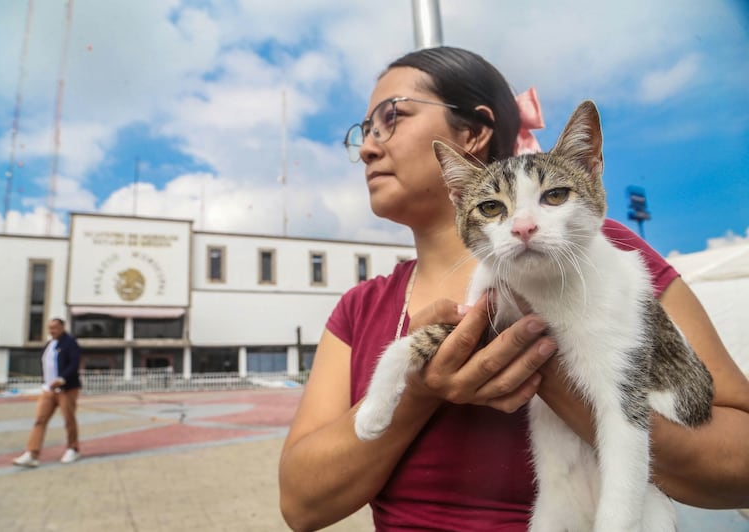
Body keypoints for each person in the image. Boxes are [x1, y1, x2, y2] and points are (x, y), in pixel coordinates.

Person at [278, 46, 749, 531]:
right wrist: (417, 391)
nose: (368, 147)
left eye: (391, 117)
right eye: (363, 131)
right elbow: (300, 506)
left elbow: (741, 461)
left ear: (475, 132)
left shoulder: (602, 254)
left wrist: (560, 373)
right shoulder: (361, 306)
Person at [13, 318, 82, 467]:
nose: (52, 331)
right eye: (50, 328)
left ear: (63, 327)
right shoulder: (49, 344)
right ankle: (32, 453)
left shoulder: (70, 343)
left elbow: (74, 363)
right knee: (40, 420)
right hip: (48, 390)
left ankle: (73, 448)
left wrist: (62, 379)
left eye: (55, 328)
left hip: (66, 389)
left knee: (68, 419)